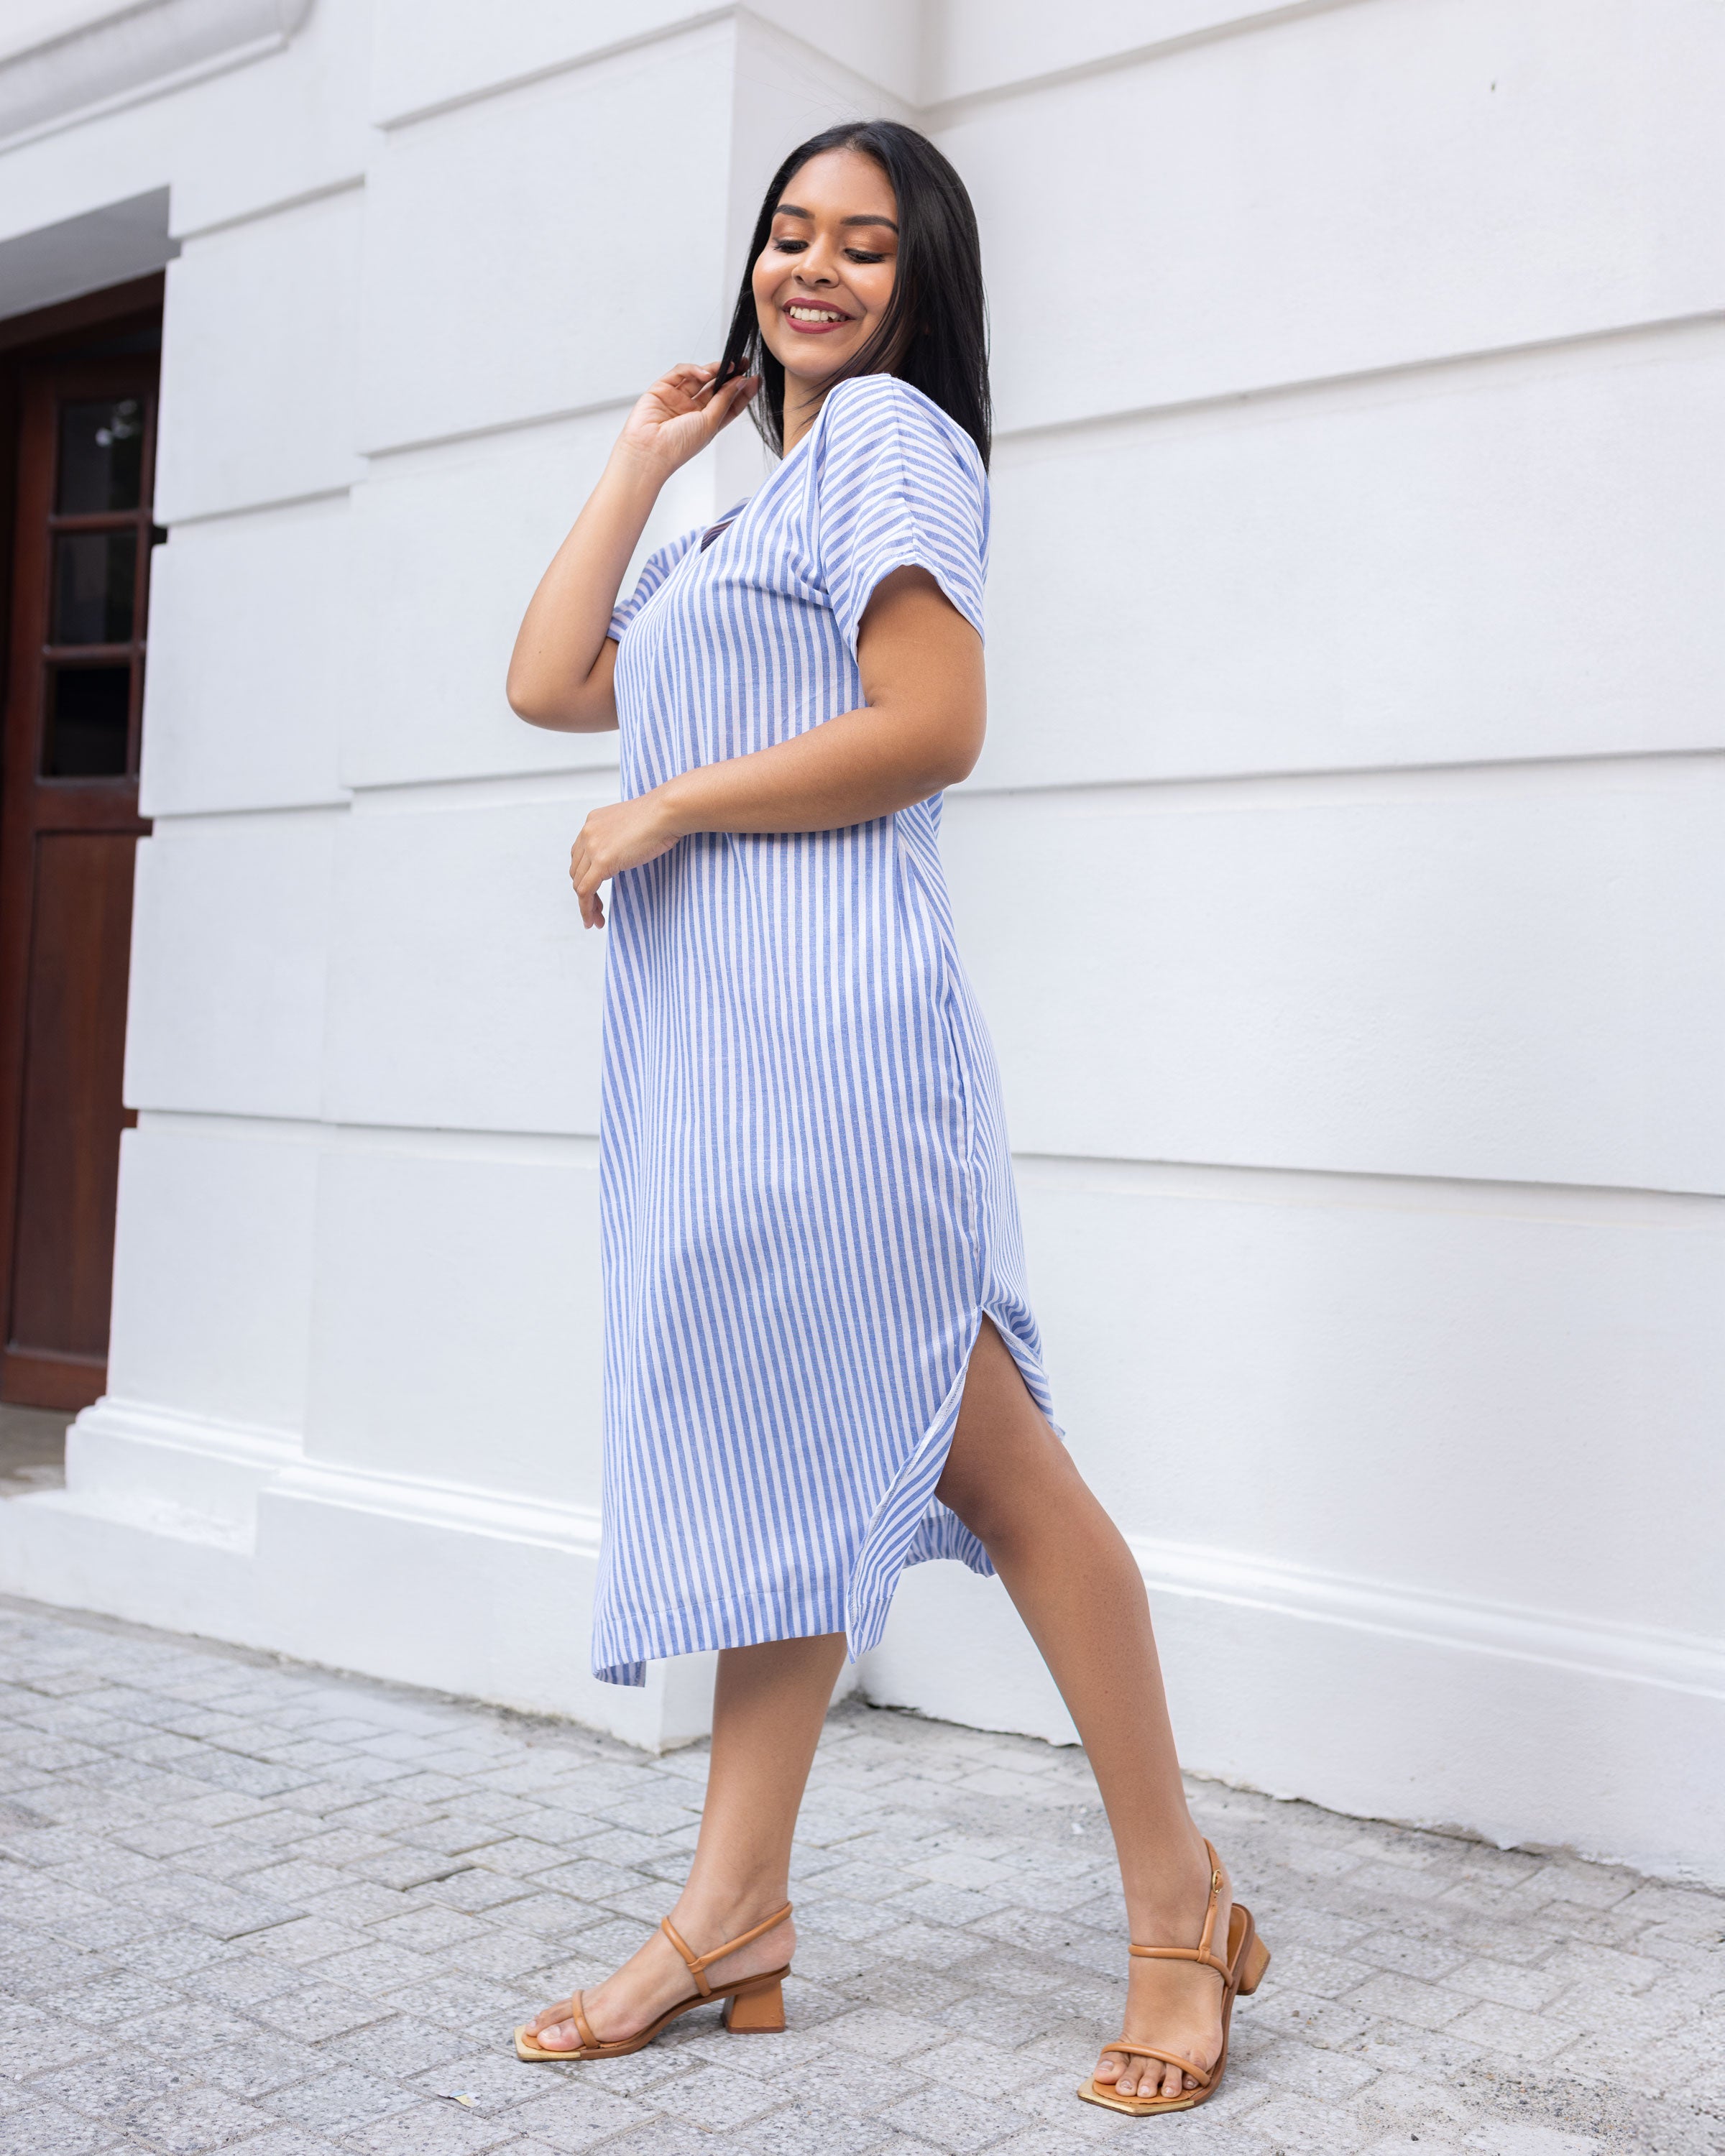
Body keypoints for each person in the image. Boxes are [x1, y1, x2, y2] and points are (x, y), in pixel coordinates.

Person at [504, 119, 1268, 2118]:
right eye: (784, 236)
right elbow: (544, 679)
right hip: (716, 1063)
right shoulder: (736, 512)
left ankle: (1179, 1906)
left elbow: (936, 724)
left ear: (921, 283)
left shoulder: (895, 444)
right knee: (785, 1469)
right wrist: (638, 459)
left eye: (862, 244)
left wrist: (668, 805)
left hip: (838, 1049)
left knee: (994, 1472)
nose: (812, 269)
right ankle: (729, 1915)